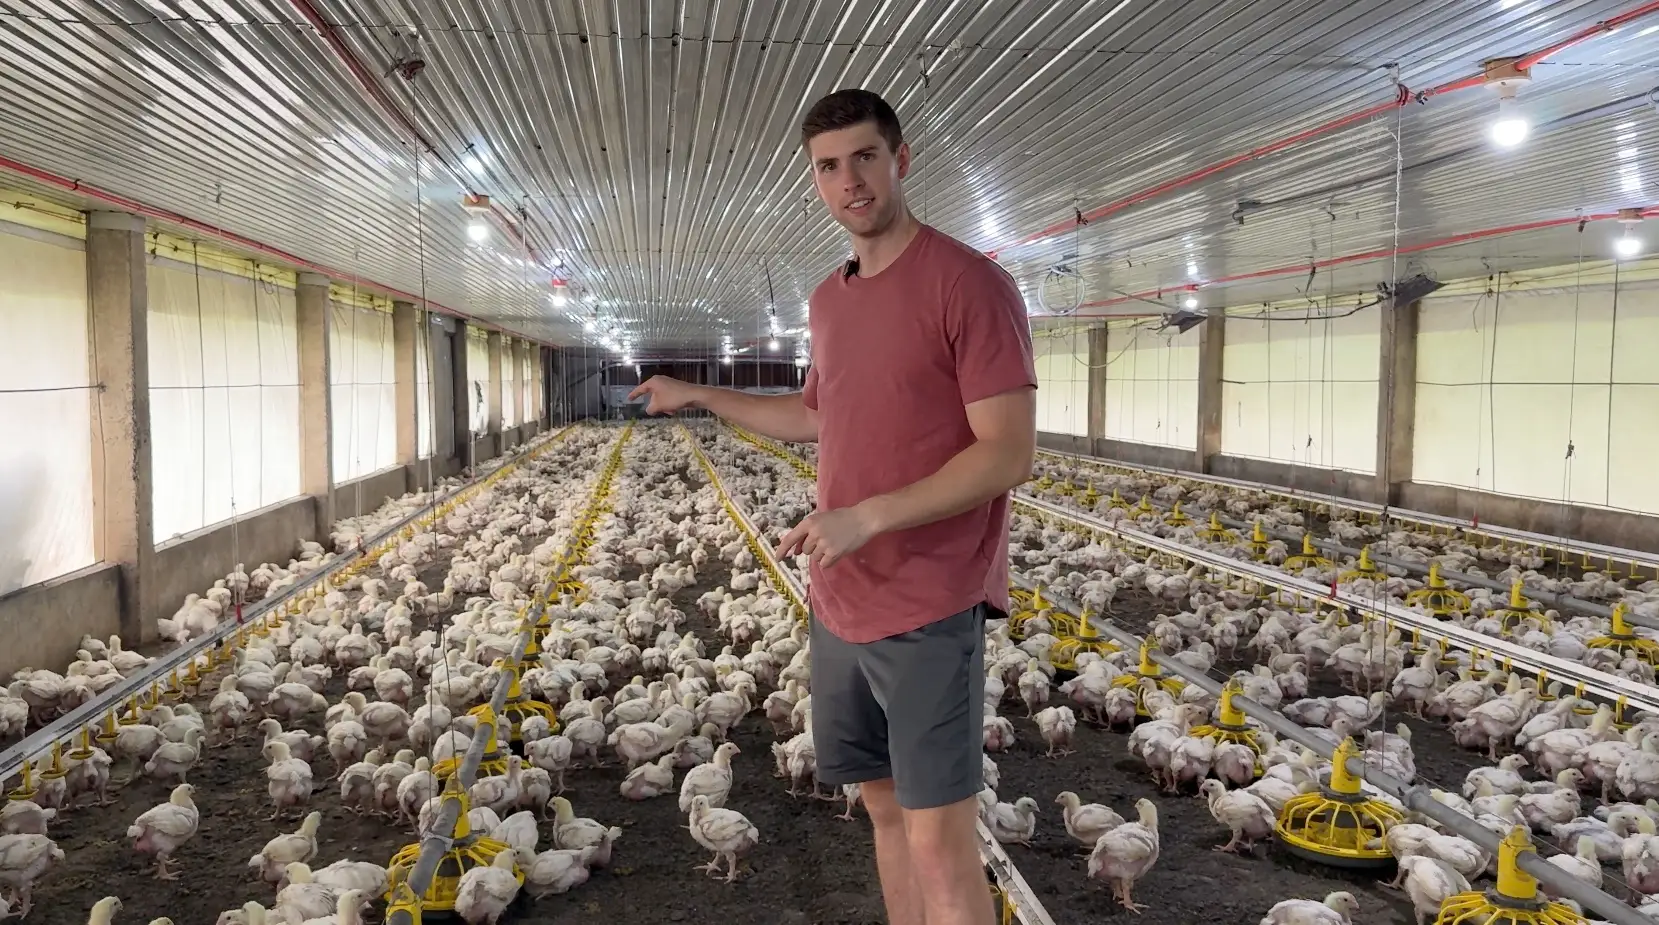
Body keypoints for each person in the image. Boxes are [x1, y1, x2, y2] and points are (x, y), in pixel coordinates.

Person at [628, 88, 1036, 925]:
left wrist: (868, 515)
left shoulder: (970, 284)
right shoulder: (828, 298)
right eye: (828, 167)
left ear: (899, 160)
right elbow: (815, 416)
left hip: (927, 596)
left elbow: (1007, 451)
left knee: (940, 841)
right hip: (840, 597)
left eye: (864, 158)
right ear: (814, 181)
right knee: (883, 812)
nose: (848, 180)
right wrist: (695, 393)